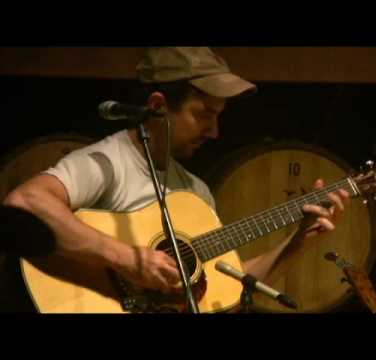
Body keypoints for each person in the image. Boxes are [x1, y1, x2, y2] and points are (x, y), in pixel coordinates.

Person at [3, 47, 349, 309]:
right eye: (204, 115)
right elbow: (25, 204)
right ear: (158, 105)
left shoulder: (194, 193)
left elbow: (225, 287)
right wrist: (128, 259)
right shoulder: (109, 161)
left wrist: (298, 241)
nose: (214, 132)